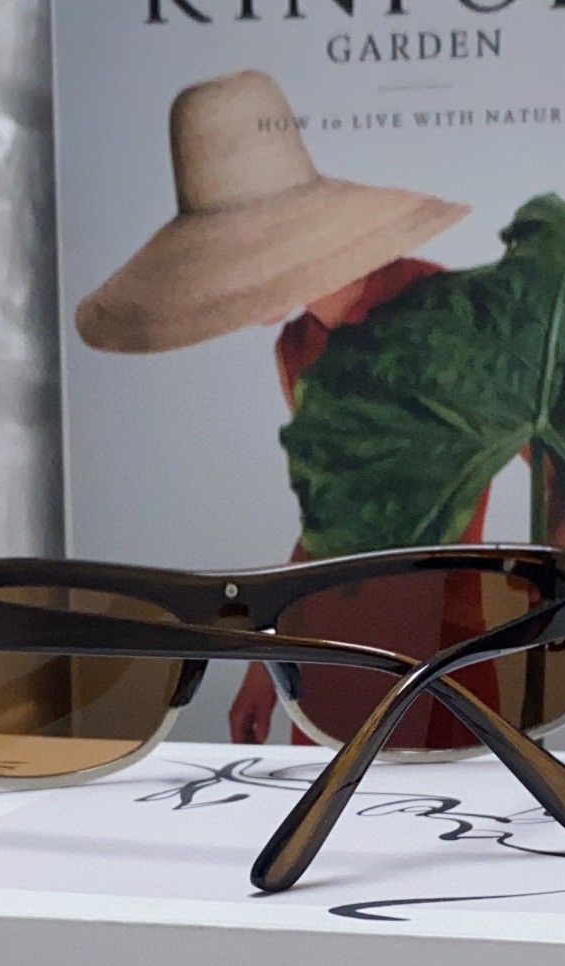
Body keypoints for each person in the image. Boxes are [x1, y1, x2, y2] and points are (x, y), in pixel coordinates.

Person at [76, 68, 505, 748]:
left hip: (439, 660)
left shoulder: (445, 314)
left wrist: (553, 634)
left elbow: (559, 456)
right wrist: (267, 661)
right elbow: (328, 521)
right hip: (327, 667)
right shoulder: (297, 347)